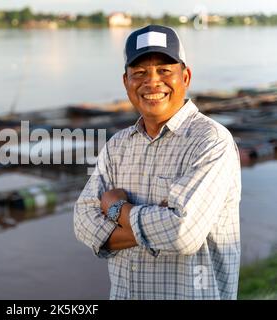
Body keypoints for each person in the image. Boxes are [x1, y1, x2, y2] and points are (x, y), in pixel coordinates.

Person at [74, 25, 241, 300]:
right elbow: (83, 223)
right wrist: (157, 220)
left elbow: (181, 234)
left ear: (185, 77)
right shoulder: (117, 145)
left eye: (164, 71)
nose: (152, 82)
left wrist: (116, 209)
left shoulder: (211, 142)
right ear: (125, 82)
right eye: (139, 73)